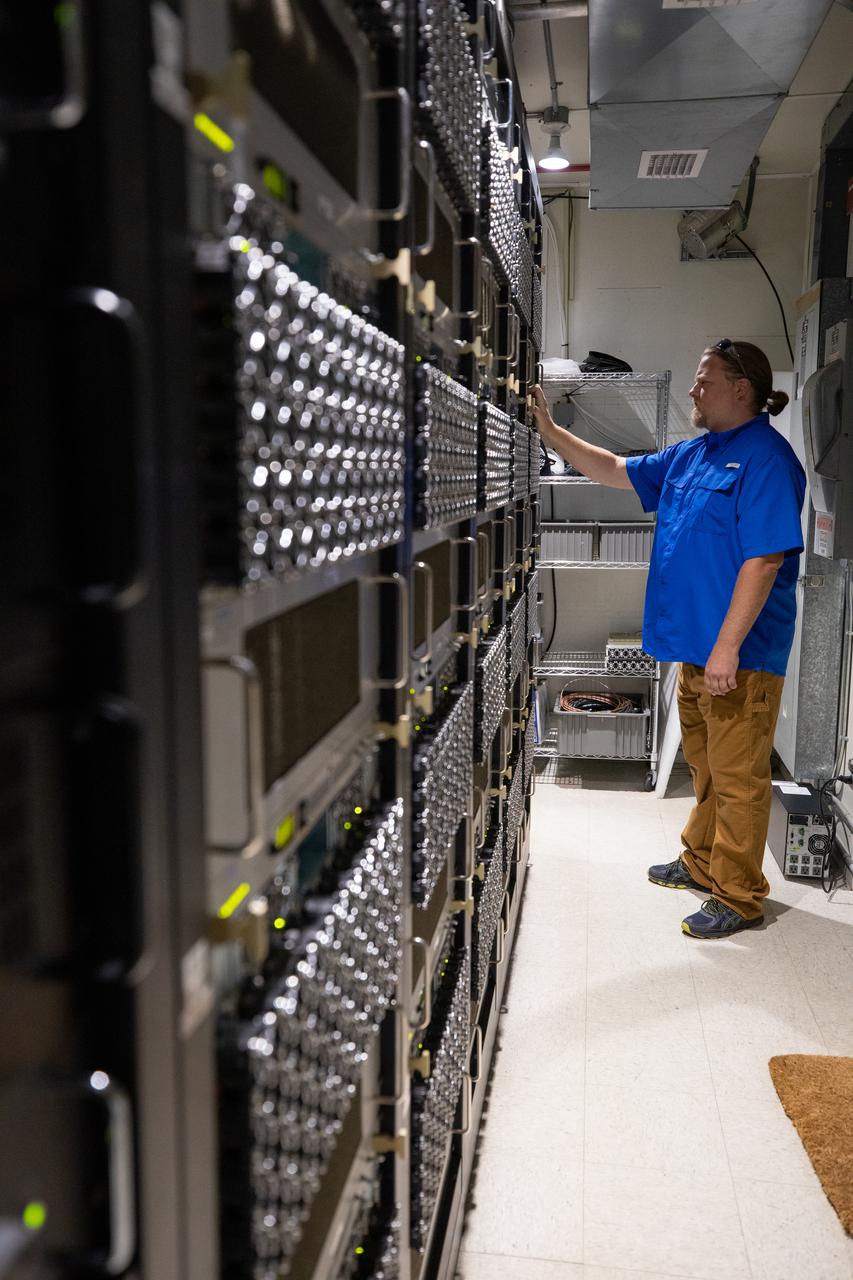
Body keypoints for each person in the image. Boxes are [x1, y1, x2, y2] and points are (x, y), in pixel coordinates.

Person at [530, 340, 806, 939]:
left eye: (704, 381)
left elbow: (764, 561)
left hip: (741, 657)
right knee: (706, 767)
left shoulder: (767, 461)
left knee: (738, 778)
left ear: (742, 389)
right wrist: (552, 433)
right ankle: (701, 861)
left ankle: (738, 894)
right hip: (694, 651)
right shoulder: (691, 455)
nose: (692, 390)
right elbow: (612, 469)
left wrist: (728, 647)